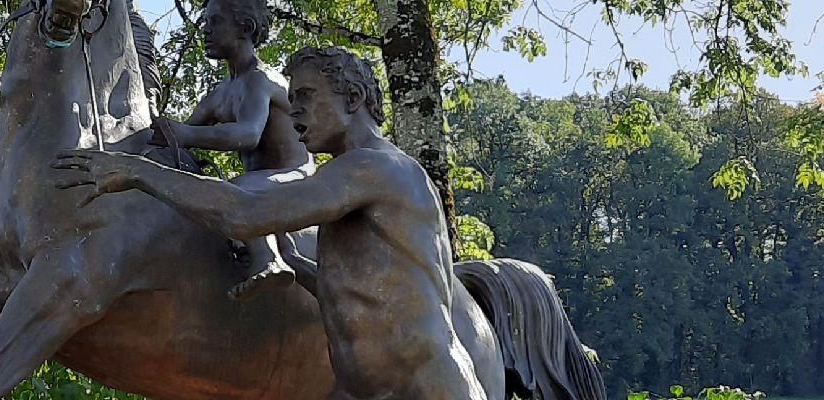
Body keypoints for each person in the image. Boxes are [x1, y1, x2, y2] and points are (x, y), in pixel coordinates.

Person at [53, 47, 502, 399]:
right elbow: (358, 289)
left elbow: (240, 214)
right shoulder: (351, 181)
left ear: (353, 98)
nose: (295, 111)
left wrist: (137, 172)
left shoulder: (375, 168)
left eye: (306, 96)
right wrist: (293, 261)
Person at [149, 0, 313, 300]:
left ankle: (270, 260)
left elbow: (247, 134)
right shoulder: (219, 94)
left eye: (214, 22)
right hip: (262, 181)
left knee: (236, 190)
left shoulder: (261, 80)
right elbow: (178, 138)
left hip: (295, 175)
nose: (205, 31)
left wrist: (185, 134)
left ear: (245, 28)